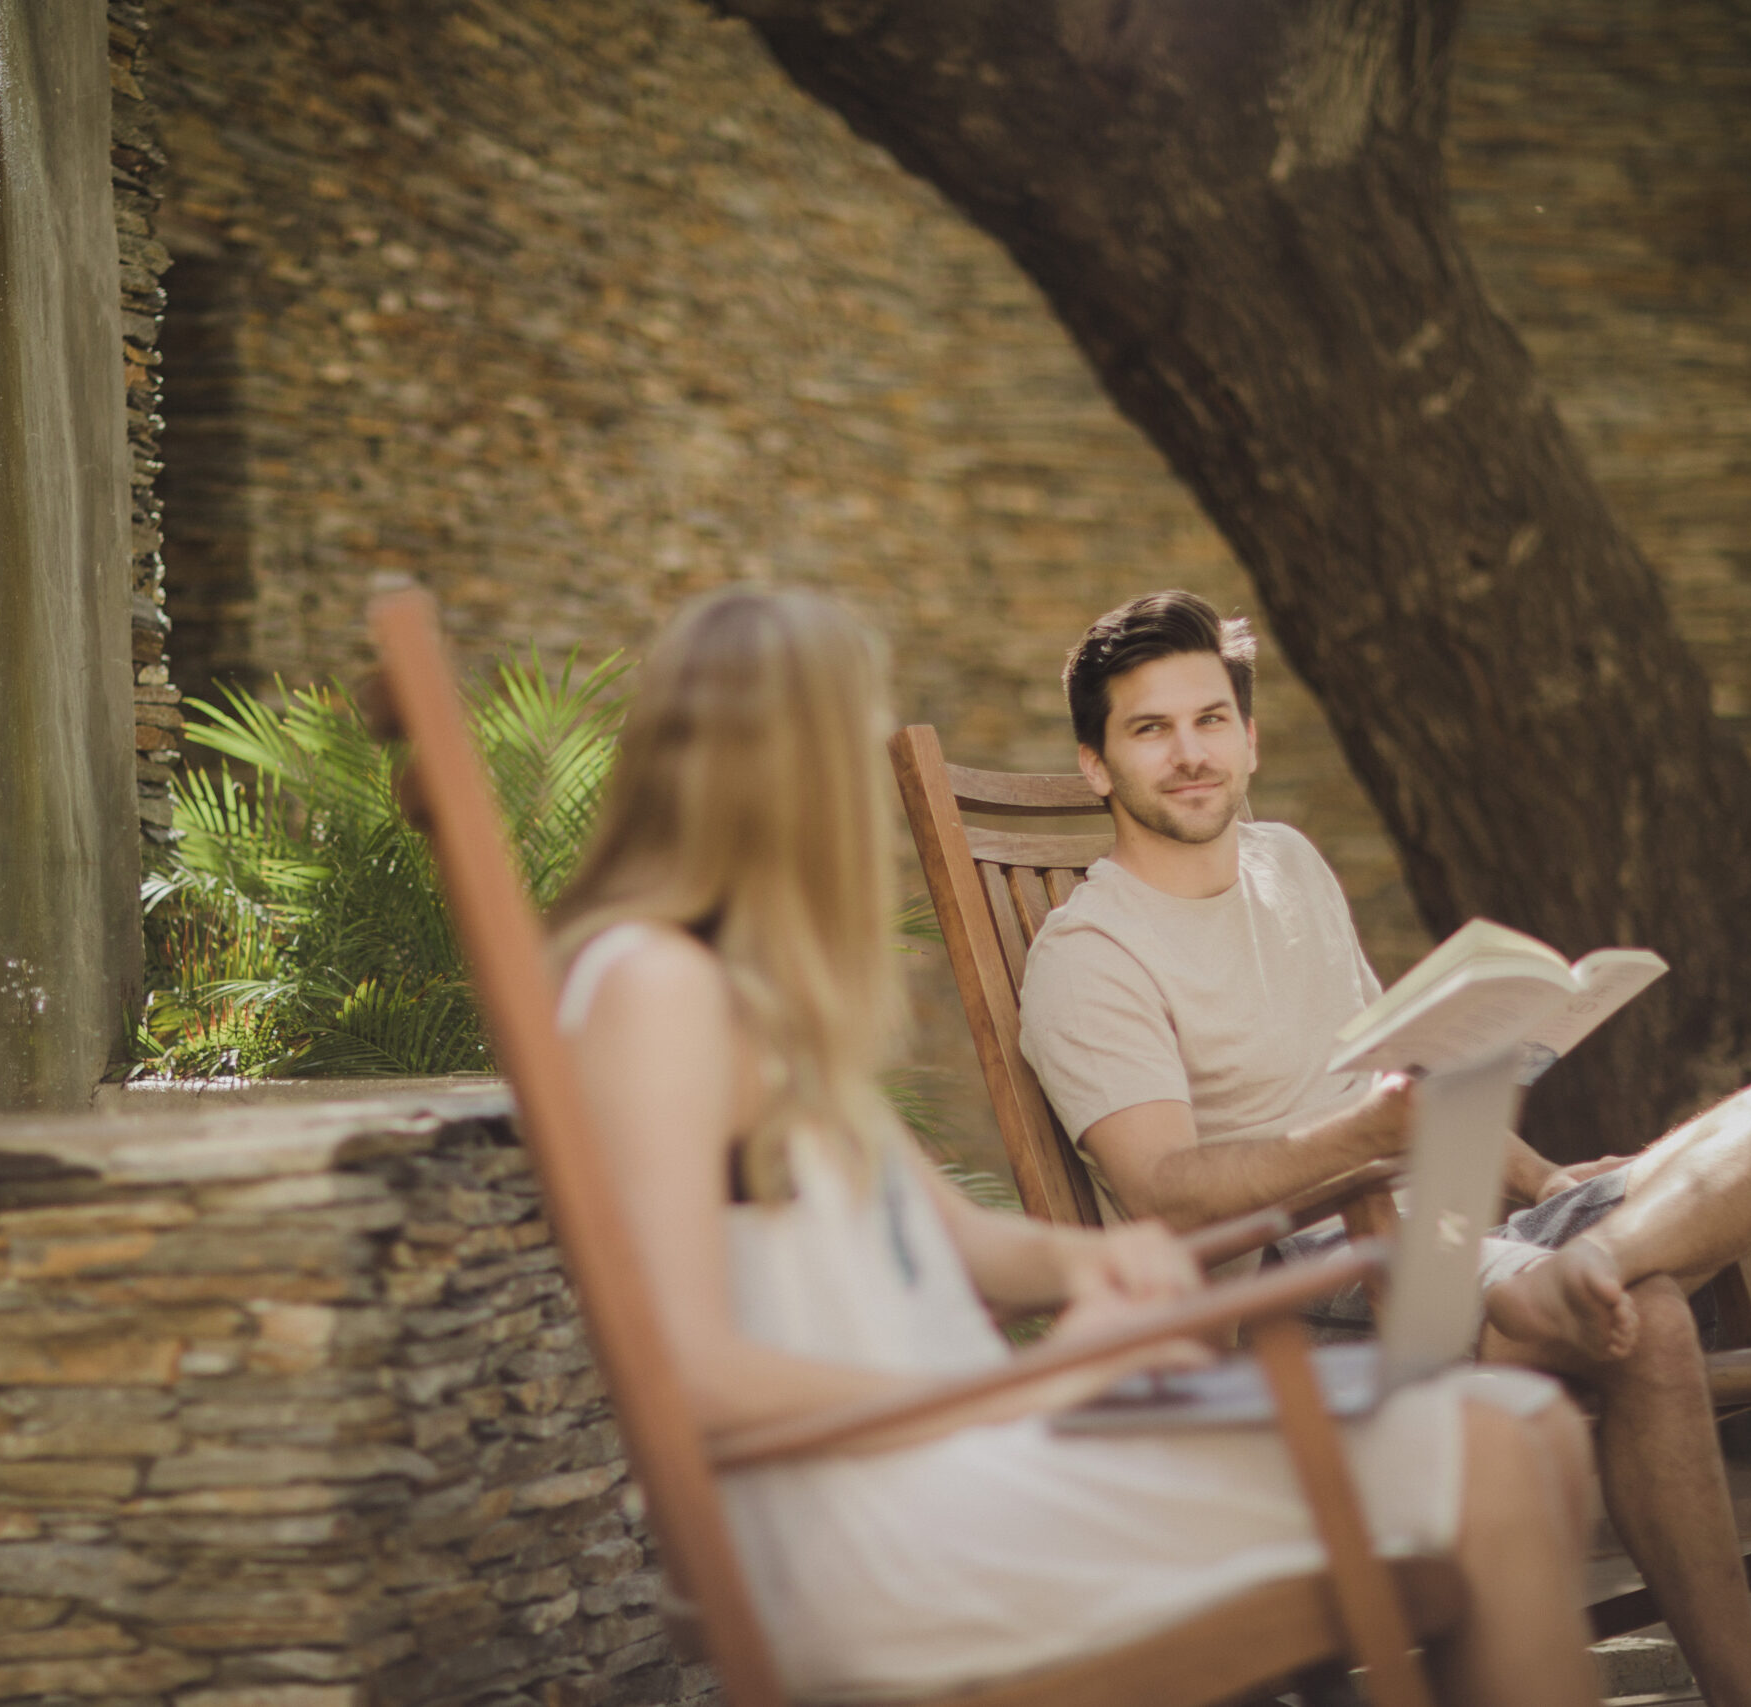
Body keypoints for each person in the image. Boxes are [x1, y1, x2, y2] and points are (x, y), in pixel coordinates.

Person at [549, 585, 1602, 1705]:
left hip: (972, 1473)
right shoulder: (653, 989)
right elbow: (687, 1374)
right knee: (1498, 1448)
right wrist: (1050, 1383)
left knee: (1526, 1430)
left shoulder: (755, 1001)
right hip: (894, 1534)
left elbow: (961, 1243)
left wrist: (1083, 1266)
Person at [1018, 589, 1751, 1707]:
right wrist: (1369, 1135)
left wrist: (1551, 1183)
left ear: (1250, 738)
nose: (1191, 754)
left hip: (1454, 1237)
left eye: (1210, 721)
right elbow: (1163, 1192)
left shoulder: (1289, 864)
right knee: (1653, 1329)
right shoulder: (1088, 951)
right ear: (1096, 766)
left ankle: (1590, 1262)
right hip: (1302, 1292)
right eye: (1149, 730)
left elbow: (1407, 1083)